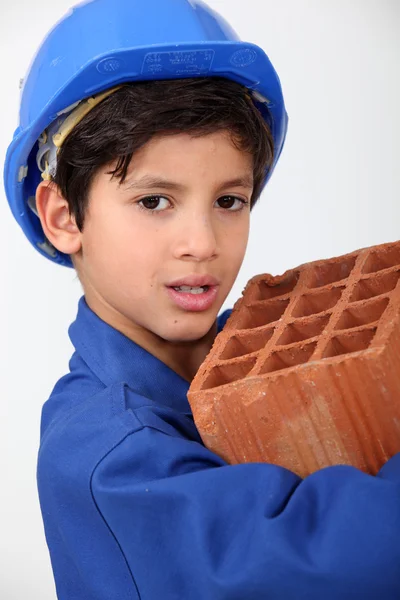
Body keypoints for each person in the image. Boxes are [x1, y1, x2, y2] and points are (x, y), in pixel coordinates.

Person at [4, 0, 400, 598]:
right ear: (63, 217)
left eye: (228, 200)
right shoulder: (103, 454)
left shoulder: (256, 358)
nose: (202, 244)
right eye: (154, 201)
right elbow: (320, 559)